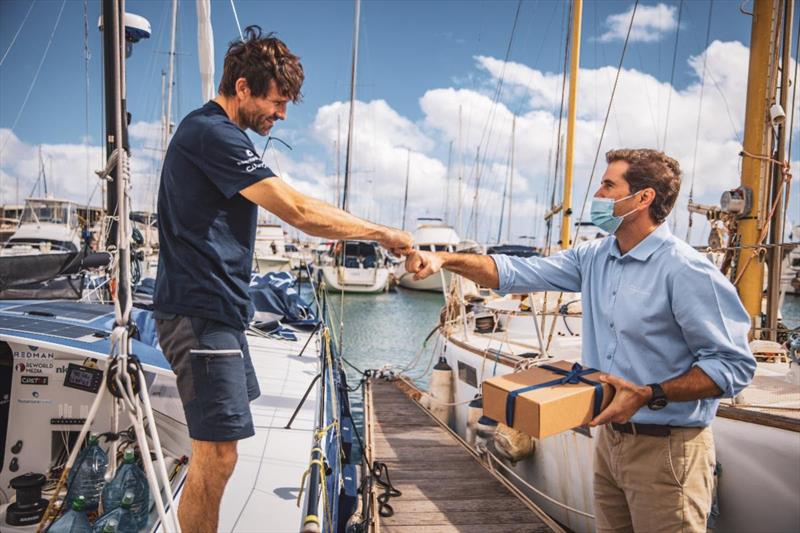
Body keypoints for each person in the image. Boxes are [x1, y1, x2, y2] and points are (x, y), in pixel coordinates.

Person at [405, 148, 755, 532]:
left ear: (643, 198)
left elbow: (733, 366)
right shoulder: (596, 257)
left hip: (668, 450)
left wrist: (649, 393)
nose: (598, 196)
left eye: (608, 185)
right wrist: (445, 260)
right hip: (609, 442)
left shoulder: (685, 270)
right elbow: (514, 271)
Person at [153, 26, 412, 533]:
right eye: (277, 101)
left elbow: (295, 204)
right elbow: (296, 209)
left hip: (218, 314)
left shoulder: (217, 135)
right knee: (217, 457)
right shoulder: (211, 133)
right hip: (199, 315)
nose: (282, 115)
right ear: (243, 87)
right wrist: (383, 233)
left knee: (221, 452)